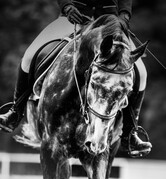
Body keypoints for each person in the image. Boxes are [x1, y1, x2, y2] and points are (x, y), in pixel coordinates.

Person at [0, 0, 152, 156]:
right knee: (29, 56)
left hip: (109, 23)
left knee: (142, 72)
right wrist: (67, 6)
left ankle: (130, 133)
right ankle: (15, 112)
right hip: (74, 17)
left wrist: (124, 15)